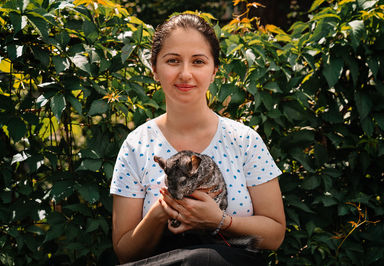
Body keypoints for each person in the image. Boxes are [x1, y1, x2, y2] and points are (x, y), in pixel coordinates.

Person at [110, 13, 286, 265]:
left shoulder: (244, 141)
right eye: (172, 61)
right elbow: (125, 252)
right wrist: (162, 210)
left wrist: (220, 221)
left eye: (198, 61)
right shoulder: (136, 145)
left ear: (214, 70)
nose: (185, 73)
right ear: (154, 69)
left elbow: (275, 235)